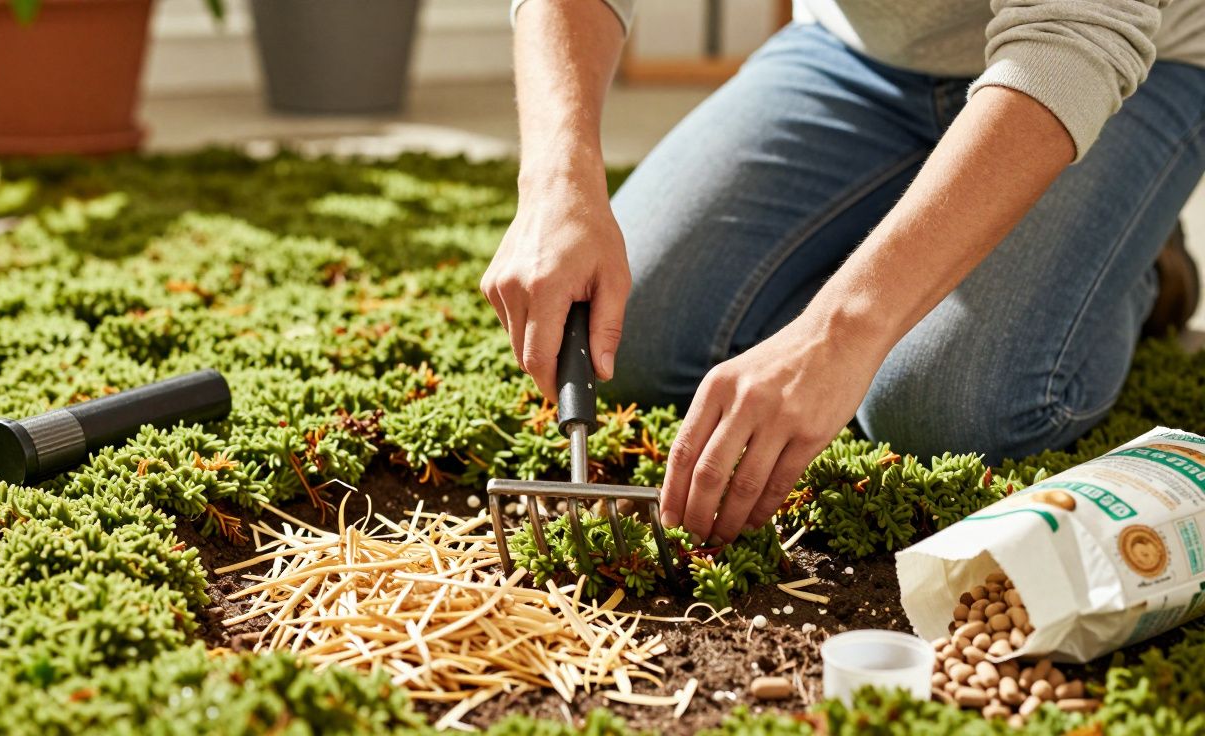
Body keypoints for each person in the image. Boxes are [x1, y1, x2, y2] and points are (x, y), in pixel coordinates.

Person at [481, 0, 1205, 546]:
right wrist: (557, 178)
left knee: (934, 403)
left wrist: (843, 329)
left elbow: (1073, 37)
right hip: (858, 55)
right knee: (627, 330)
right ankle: (920, 226)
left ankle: (1139, 255)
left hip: (1127, 60)